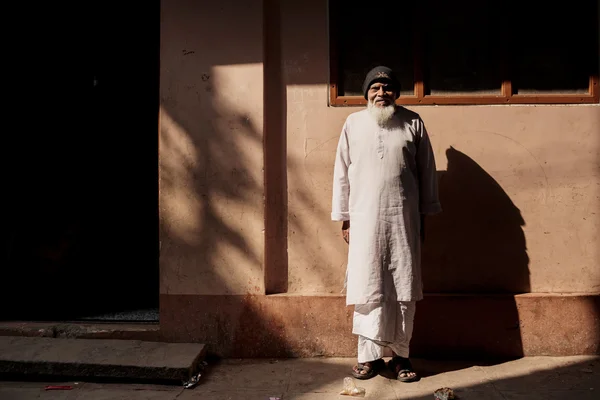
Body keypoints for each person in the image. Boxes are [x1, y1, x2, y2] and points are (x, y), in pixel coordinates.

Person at [331, 66, 441, 382]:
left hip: (403, 219)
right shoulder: (353, 124)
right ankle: (368, 358)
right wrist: (345, 218)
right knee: (368, 285)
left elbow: (427, 172)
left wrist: (424, 216)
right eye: (375, 88)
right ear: (366, 93)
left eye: (388, 87)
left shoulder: (413, 123)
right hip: (364, 220)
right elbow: (341, 173)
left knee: (403, 285)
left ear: (396, 93)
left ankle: (401, 357)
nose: (382, 93)